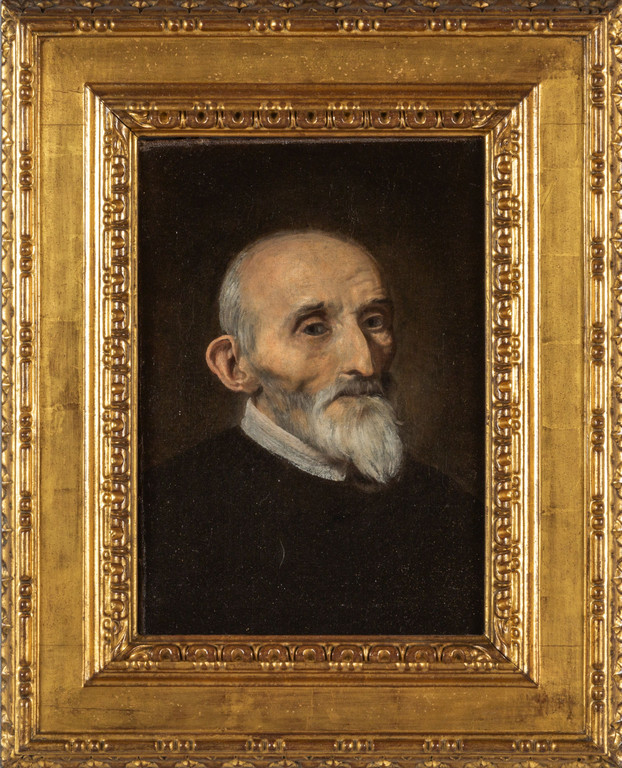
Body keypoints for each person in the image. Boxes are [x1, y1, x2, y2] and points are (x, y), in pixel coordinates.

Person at [140, 230, 484, 636]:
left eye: (374, 321)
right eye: (315, 328)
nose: (364, 362)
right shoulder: (159, 514)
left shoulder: (450, 511)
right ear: (234, 365)